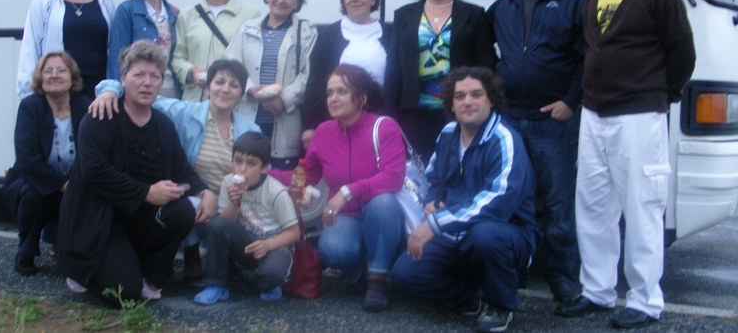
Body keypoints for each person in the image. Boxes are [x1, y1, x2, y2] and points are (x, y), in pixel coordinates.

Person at [555, 0, 696, 329]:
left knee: (642, 207)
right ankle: (597, 291)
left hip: (639, 115)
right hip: (594, 115)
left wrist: (662, 95)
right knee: (593, 205)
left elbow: (682, 52)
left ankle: (645, 300)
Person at [390, 66, 540, 333]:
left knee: (484, 236)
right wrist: (432, 201)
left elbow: (496, 204)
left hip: (506, 232)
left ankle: (499, 304)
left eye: (476, 94)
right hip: (455, 231)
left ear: (491, 100)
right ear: (451, 103)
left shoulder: (505, 140)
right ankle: (470, 295)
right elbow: (433, 178)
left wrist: (436, 223)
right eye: (459, 96)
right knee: (404, 273)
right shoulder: (449, 133)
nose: (467, 102)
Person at [56, 41, 208, 302]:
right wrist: (146, 192)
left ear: (161, 82)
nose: (147, 83)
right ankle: (81, 271)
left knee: (183, 211)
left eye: (155, 76)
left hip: (138, 219)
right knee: (123, 293)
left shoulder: (163, 124)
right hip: (99, 220)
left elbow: (182, 169)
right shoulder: (100, 117)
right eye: (139, 75)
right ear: (123, 79)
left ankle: (145, 273)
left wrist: (205, 192)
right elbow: (94, 171)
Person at [89, 59, 260, 283]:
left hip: (233, 202)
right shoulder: (183, 112)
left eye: (234, 85)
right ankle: (191, 252)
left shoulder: (251, 130)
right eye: (219, 82)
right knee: (186, 206)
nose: (225, 89)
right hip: (197, 197)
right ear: (208, 86)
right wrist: (109, 91)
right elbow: (138, 91)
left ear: (241, 94)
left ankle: (226, 254)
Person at [486, 0, 586, 303]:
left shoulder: (572, 3)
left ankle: (562, 277)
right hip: (510, 119)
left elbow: (587, 59)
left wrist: (570, 102)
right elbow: (484, 54)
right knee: (512, 198)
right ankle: (516, 268)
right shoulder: (503, 7)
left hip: (552, 121)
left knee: (558, 202)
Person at [305, 64, 405, 311]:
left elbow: (393, 177)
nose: (333, 98)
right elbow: (309, 175)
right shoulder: (323, 132)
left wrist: (348, 191)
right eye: (330, 93)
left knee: (383, 202)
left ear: (361, 98)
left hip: (380, 212)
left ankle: (378, 279)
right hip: (346, 214)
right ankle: (359, 275)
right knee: (332, 250)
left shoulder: (384, 127)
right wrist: (301, 189)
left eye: (341, 91)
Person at [385, 0, 497, 159]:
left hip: (458, 111)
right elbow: (394, 69)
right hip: (413, 115)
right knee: (417, 172)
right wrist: (390, 115)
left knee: (457, 168)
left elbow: (486, 67)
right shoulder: (404, 15)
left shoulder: (474, 15)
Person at [2, 51, 90, 276]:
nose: (54, 75)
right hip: (35, 179)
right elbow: (27, 158)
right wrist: (62, 185)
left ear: (72, 76)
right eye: (47, 71)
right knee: (33, 195)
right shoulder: (30, 106)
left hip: (76, 180)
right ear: (40, 78)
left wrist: (76, 184)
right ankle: (26, 251)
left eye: (61, 70)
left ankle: (67, 248)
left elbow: (94, 153)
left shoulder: (86, 107)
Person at [193, 131, 299, 305]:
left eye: (251, 164)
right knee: (215, 225)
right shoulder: (228, 182)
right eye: (238, 161)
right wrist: (235, 203)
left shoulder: (276, 191)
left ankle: (268, 282)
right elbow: (223, 224)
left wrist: (267, 245)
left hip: (274, 245)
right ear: (232, 161)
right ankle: (216, 284)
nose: (242, 169)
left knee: (271, 274)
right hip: (247, 241)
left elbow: (294, 233)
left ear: (264, 168)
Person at [224, 0, 317, 170]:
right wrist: (250, 89)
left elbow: (309, 75)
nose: (281, 0)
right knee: (246, 174)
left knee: (279, 178)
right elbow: (231, 64)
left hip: (284, 122)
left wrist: (283, 99)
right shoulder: (247, 29)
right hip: (248, 116)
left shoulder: (307, 32)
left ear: (297, 2)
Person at [17, 0, 116, 100]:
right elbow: (30, 47)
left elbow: (113, 49)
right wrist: (28, 94)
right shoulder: (45, 0)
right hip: (60, 89)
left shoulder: (105, 1)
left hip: (98, 92)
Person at [301, 0, 390, 149]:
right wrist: (309, 126)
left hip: (379, 123)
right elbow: (315, 83)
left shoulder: (391, 33)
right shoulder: (328, 35)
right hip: (337, 123)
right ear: (343, 0)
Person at [173, 0, 260, 101]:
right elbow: (178, 57)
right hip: (195, 100)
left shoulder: (250, 14)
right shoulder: (187, 15)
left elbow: (254, 61)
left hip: (232, 100)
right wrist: (192, 72)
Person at [108, 0, 180, 98]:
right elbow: (117, 58)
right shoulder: (126, 11)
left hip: (171, 92)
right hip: (139, 92)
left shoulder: (174, 13)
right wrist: (116, 92)